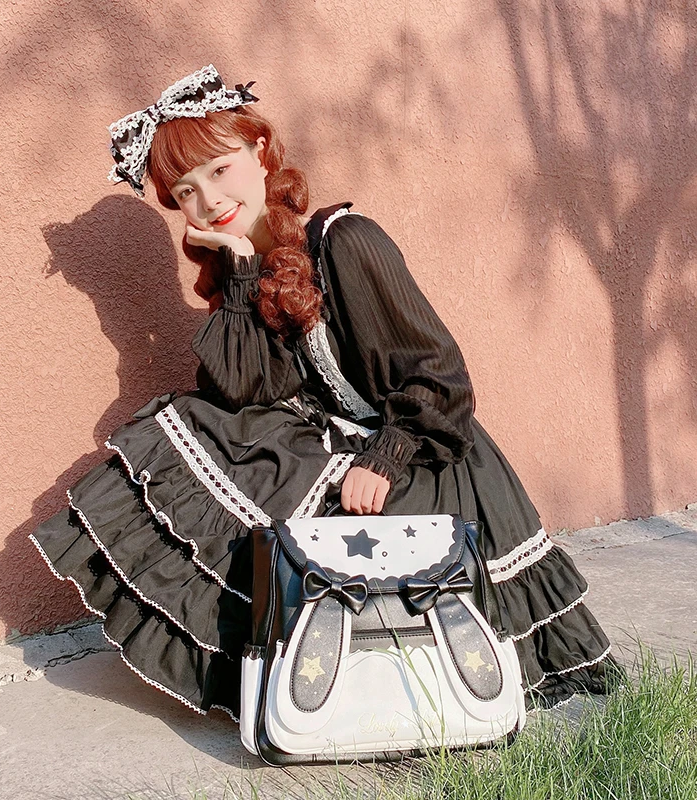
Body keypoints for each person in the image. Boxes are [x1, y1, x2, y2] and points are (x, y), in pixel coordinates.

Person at [30, 65, 613, 722]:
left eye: (219, 170)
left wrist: (383, 459)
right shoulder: (250, 271)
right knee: (187, 422)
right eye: (186, 192)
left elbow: (440, 376)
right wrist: (240, 270)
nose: (208, 200)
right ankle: (265, 667)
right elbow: (241, 394)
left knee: (210, 445)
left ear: (259, 151)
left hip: (430, 462)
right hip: (347, 444)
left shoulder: (345, 242)